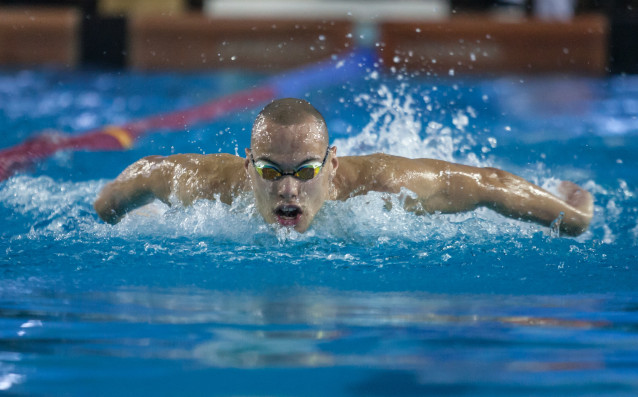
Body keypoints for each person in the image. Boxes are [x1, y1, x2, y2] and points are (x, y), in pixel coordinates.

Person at [94, 98, 594, 236]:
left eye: (306, 172)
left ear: (332, 165)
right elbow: (143, 174)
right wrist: (108, 212)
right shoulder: (210, 188)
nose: (288, 189)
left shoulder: (383, 189)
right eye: (270, 172)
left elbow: (487, 184)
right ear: (247, 166)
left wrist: (572, 216)